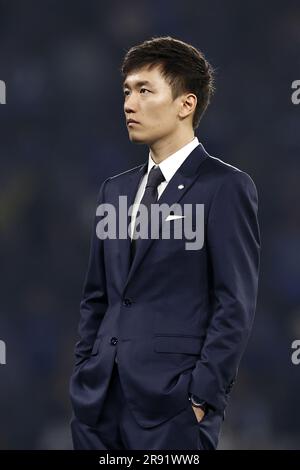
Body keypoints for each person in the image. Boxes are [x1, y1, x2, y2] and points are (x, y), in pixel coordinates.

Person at [69, 36, 260, 450]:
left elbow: (235, 304)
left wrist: (200, 398)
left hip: (173, 409)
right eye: (126, 91)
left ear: (185, 104)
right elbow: (97, 297)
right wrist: (85, 371)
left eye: (144, 90)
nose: (128, 104)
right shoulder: (113, 192)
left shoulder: (226, 187)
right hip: (98, 405)